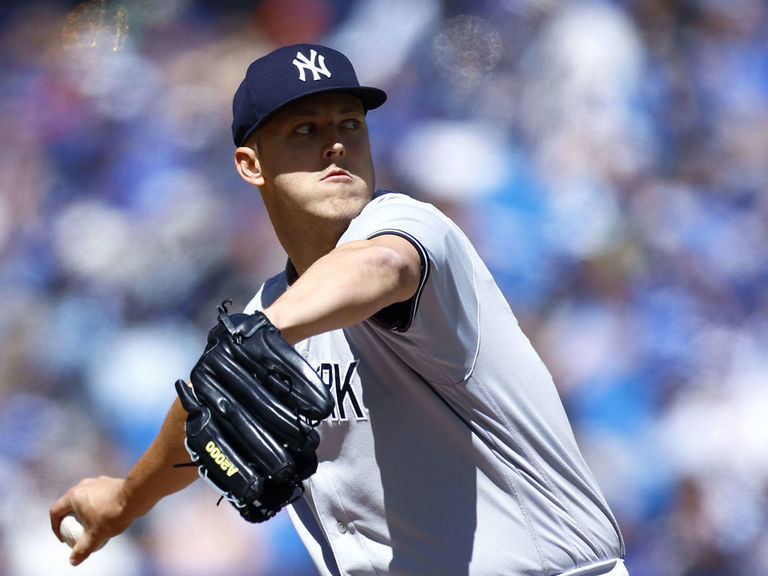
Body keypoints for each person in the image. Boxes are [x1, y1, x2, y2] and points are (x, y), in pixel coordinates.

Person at [50, 43, 628, 576]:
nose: (335, 143)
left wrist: (253, 341)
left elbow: (384, 269)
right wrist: (126, 499)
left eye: (349, 124)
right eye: (306, 129)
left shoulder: (412, 228)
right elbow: (205, 410)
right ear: (251, 165)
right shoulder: (270, 312)